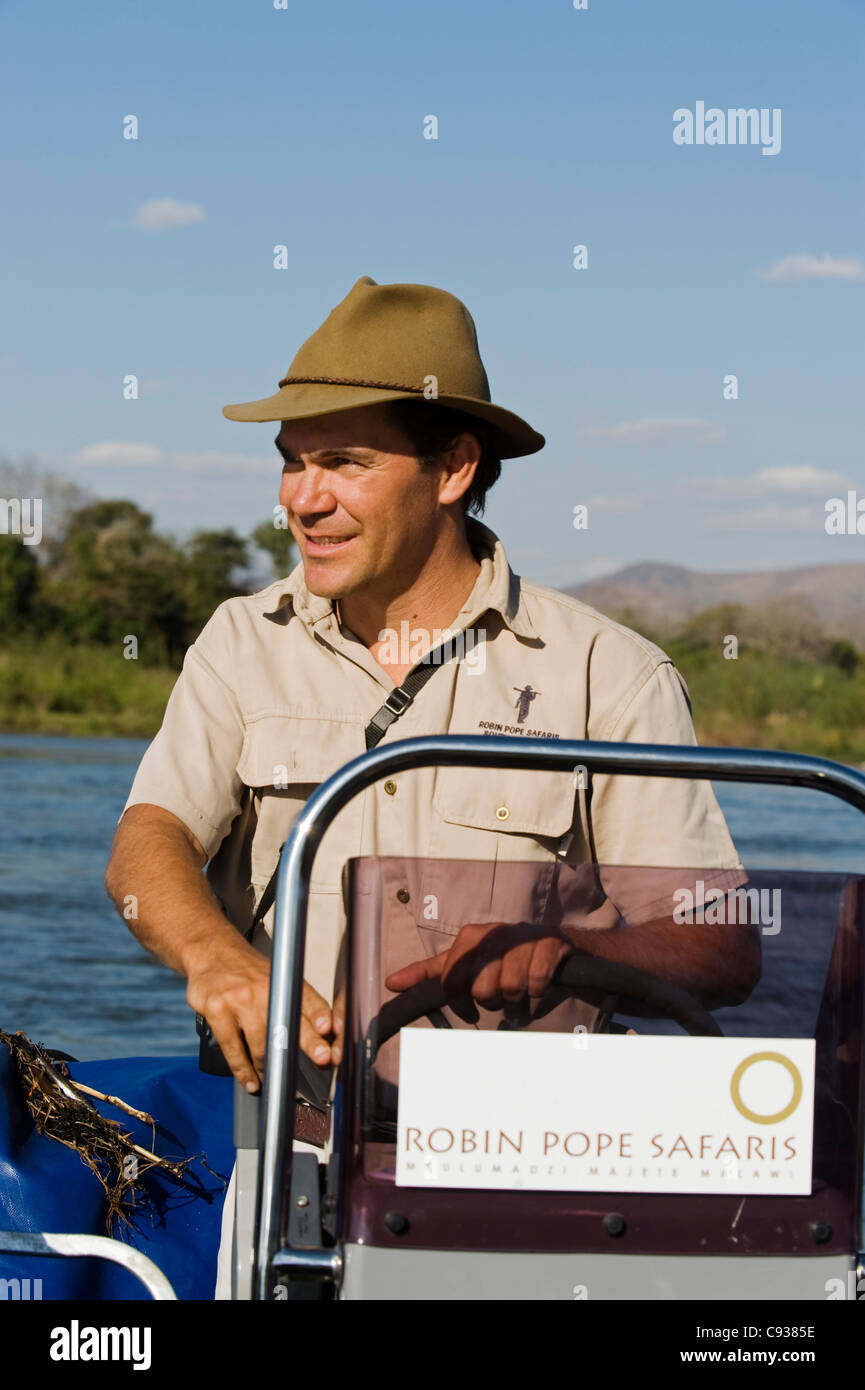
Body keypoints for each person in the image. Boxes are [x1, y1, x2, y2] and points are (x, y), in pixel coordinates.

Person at [104, 275, 758, 1294]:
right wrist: (219, 960)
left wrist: (574, 949)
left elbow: (720, 943)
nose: (299, 497)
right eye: (289, 464)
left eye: (343, 463)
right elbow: (148, 843)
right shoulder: (239, 643)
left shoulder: (607, 671)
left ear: (454, 467)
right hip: (290, 1163)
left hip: (542, 1177)